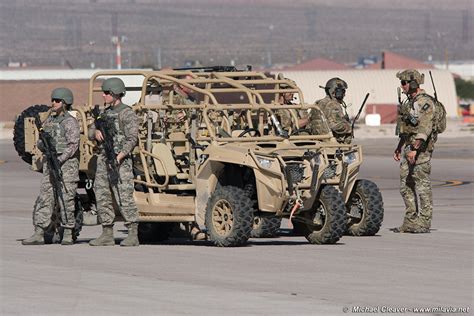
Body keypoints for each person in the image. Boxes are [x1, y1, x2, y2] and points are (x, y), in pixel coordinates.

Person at [22, 88, 80, 245]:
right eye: (53, 100)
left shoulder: (70, 122)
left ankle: (68, 231)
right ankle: (39, 231)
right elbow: (41, 141)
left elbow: (73, 145)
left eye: (57, 100)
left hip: (66, 166)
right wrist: (43, 145)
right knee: (45, 197)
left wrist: (60, 159)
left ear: (65, 103)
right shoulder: (49, 121)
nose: (53, 103)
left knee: (66, 199)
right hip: (50, 164)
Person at [88, 77, 140, 246]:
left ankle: (132, 233)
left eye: (106, 93)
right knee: (102, 193)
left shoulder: (127, 113)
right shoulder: (104, 113)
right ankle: (107, 233)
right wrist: (95, 132)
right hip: (104, 159)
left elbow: (132, 138)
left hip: (120, 161)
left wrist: (120, 155)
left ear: (115, 94)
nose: (103, 96)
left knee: (124, 195)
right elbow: (90, 131)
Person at [392, 69, 436, 234]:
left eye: (404, 82)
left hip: (421, 150)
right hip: (409, 148)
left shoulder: (425, 103)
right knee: (405, 185)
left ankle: (423, 222)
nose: (402, 86)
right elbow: (407, 128)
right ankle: (410, 220)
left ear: (413, 83)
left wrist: (415, 150)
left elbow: (425, 127)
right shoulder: (410, 103)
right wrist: (399, 147)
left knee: (422, 186)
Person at [311, 78, 352, 143]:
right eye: (342, 92)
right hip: (331, 143)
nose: (344, 95)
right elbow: (336, 125)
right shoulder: (333, 105)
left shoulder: (318, 103)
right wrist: (349, 127)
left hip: (317, 141)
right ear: (334, 92)